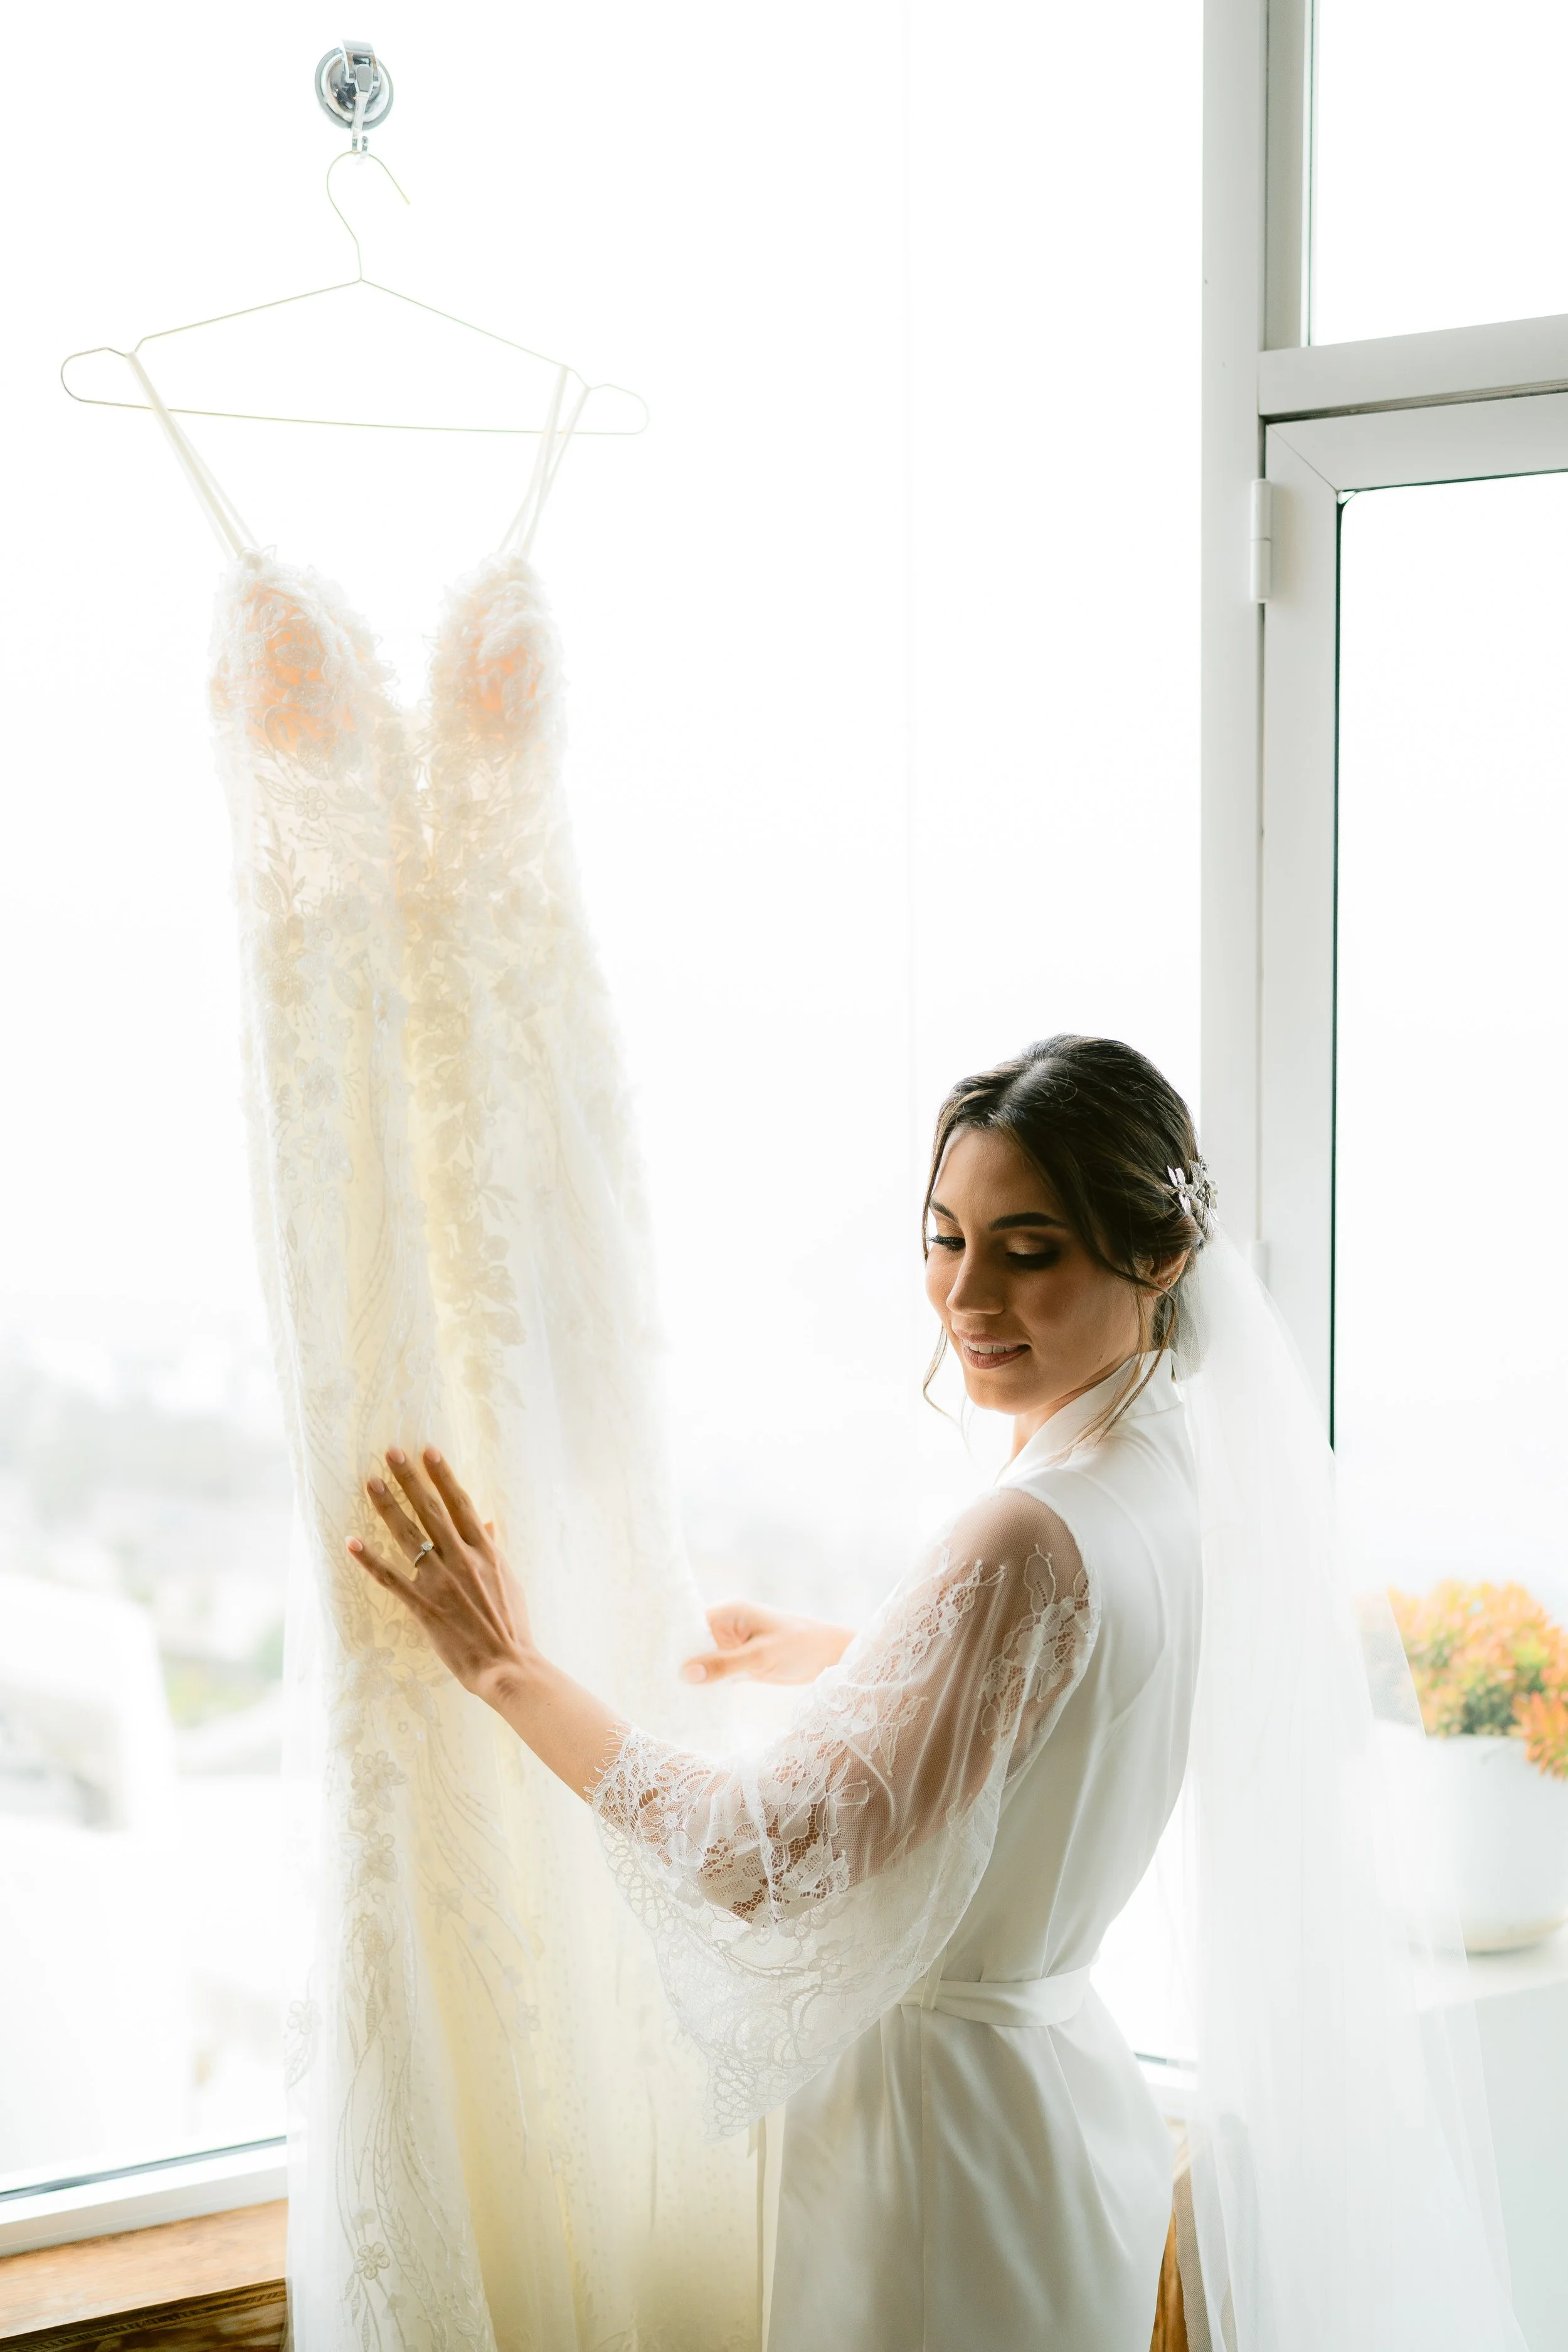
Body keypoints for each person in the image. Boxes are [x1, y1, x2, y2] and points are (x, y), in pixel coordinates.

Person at [348, 1033, 1203, 2350]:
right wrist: (860, 1656)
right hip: (1064, 2108)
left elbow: (763, 1855)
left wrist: (506, 1669)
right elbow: (1086, 1691)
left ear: (1160, 1255)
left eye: (1027, 1251)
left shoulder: (1019, 1537)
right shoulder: (1162, 1472)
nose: (966, 1295)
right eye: (942, 1239)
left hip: (936, 2151)